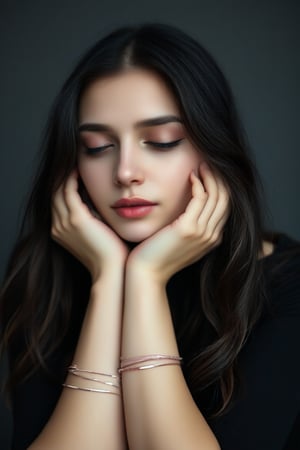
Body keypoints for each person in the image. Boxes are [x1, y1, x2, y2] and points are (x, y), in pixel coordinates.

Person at [0, 23, 299, 450]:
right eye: (98, 146)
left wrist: (145, 278)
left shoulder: (289, 286)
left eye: (162, 141)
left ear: (215, 148)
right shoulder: (40, 272)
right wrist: (109, 281)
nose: (125, 172)